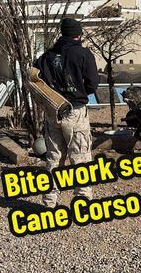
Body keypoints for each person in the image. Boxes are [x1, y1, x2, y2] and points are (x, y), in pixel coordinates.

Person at [34, 18, 99, 207]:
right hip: (75, 111)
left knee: (54, 158)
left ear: (63, 33)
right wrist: (77, 92)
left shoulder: (46, 57)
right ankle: (82, 201)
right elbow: (92, 84)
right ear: (78, 34)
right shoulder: (83, 54)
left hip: (52, 111)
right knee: (80, 157)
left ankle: (49, 203)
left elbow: (37, 81)